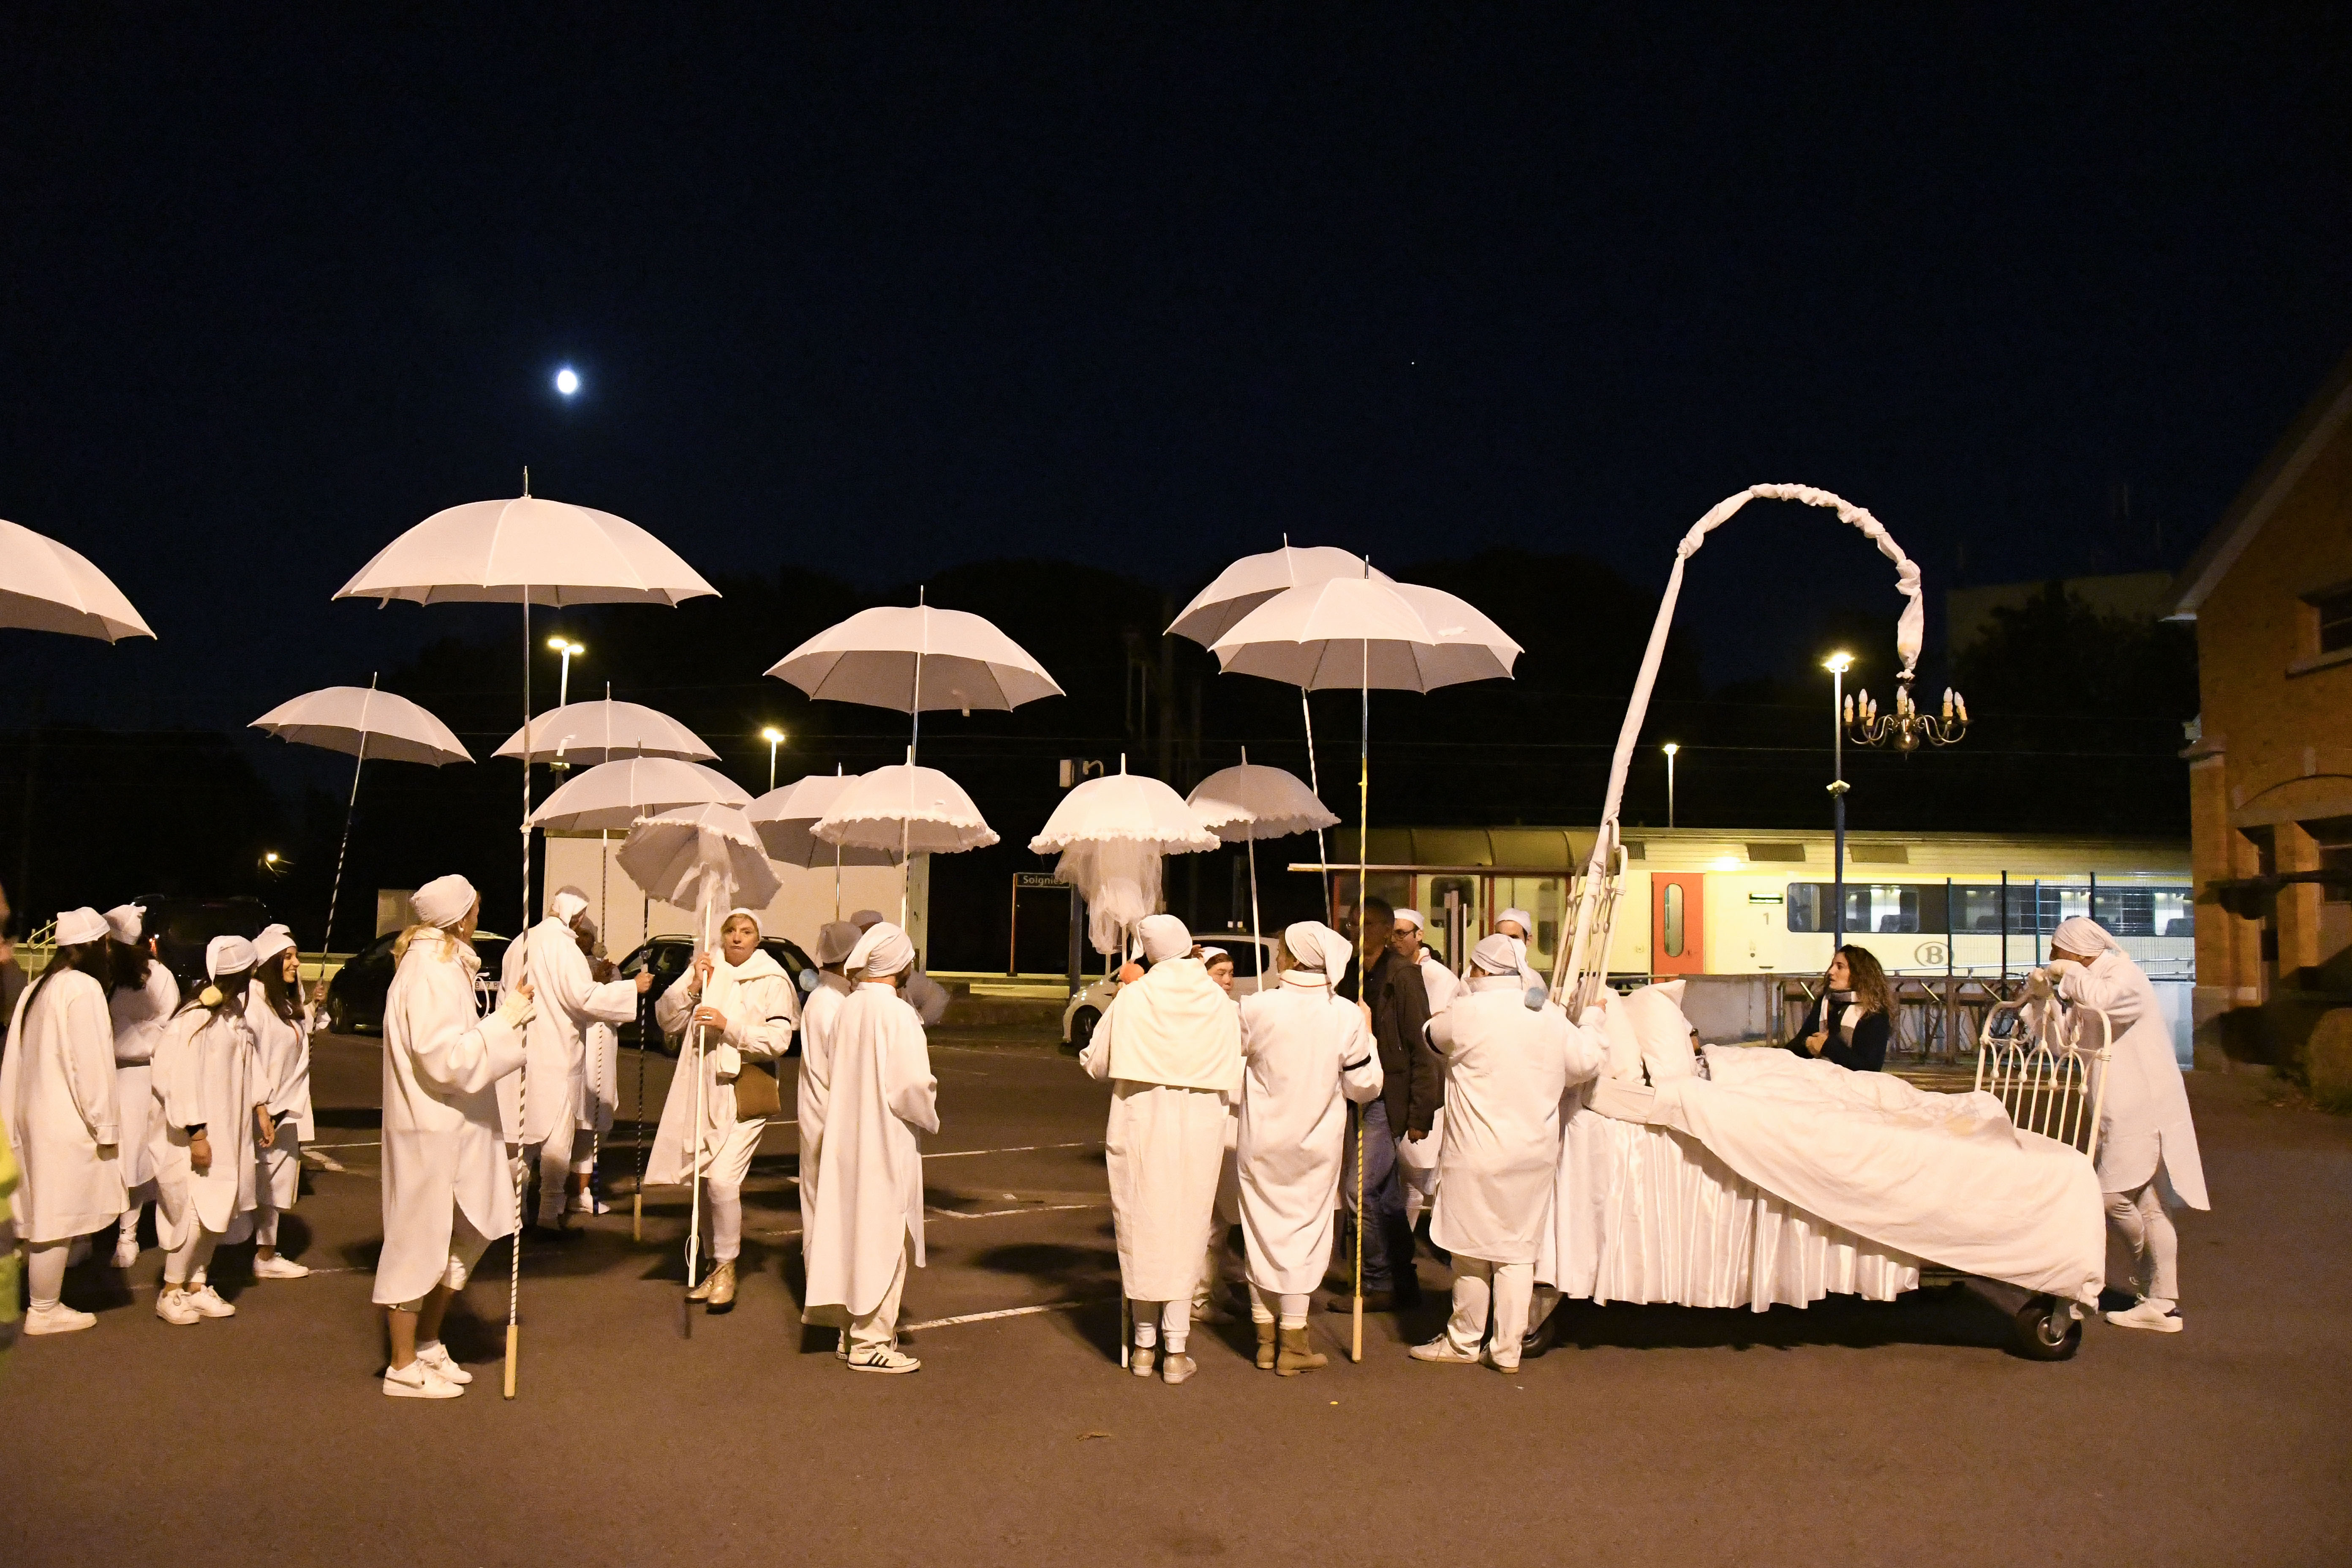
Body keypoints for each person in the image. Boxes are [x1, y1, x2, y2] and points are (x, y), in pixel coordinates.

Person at [1409, 934, 1606, 1372]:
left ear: (1478, 970)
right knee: (1517, 1253)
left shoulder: (1467, 1013)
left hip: (1475, 1153)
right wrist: (1592, 1020)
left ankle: (1463, 1342)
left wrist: (1460, 998)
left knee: (1469, 1251)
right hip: (1533, 1154)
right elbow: (1585, 1063)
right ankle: (1507, 1350)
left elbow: (1430, 1035)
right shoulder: (1549, 1016)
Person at [375, 874, 535, 1399]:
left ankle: (426, 1341)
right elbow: (445, 1059)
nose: (478, 917)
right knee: (417, 1241)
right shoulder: (431, 972)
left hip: (458, 1127)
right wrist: (505, 1021)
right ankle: (402, 1365)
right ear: (461, 918)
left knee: (472, 1229)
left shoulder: (444, 966)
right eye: (475, 909)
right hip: (433, 1129)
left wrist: (501, 1023)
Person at [1079, 914, 1242, 1385]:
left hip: (1141, 1121)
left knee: (1143, 1226)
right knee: (1188, 1227)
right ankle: (1176, 1349)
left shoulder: (1136, 996)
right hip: (1199, 1125)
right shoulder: (1217, 999)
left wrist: (1125, 994)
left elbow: (1096, 1063)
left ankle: (1145, 1346)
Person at [2044, 915, 2210, 1334]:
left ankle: (2147, 1275)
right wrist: (2041, 1000)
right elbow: (2062, 1044)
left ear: (2077, 950)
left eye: (2057, 950)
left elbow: (2105, 1002)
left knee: (2107, 1196)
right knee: (2151, 1205)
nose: (2052, 956)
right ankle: (2162, 1304)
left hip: (2142, 1110)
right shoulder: (2086, 982)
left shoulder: (2123, 974)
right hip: (2116, 1110)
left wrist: (2069, 975)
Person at [1236, 921, 1383, 1376]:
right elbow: (1365, 1086)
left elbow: (1227, 1056)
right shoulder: (1346, 1015)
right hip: (1317, 1144)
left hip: (1261, 1140)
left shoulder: (1257, 1007)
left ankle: (1265, 1340)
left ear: (1297, 958)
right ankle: (1294, 1343)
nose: (1278, 956)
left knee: (1259, 1232)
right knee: (1304, 1236)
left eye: (1282, 950)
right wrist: (1369, 1032)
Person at [646, 907, 798, 1312]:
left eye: (746, 931)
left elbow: (779, 1040)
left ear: (757, 939)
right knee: (704, 1180)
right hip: (703, 1090)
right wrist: (694, 986)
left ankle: (728, 1266)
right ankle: (714, 1266)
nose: (737, 937)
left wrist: (728, 1026)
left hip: (745, 1090)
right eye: (730, 930)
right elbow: (667, 1019)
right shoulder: (708, 968)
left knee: (723, 1182)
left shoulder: (771, 979)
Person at [804, 921, 937, 1374]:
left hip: (847, 1135)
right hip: (885, 1136)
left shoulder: (848, 1007)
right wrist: (929, 1114)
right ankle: (871, 1340)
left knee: (852, 1228)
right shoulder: (897, 1014)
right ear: (898, 963)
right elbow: (912, 1085)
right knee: (884, 1233)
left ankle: (850, 1330)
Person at [0, 906, 124, 1335]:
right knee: (57, 1217)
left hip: (33, 1115)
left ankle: (41, 1301)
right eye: (107, 944)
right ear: (94, 946)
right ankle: (44, 1307)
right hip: (66, 1120)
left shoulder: (40, 986)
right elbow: (90, 1066)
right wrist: (106, 1125)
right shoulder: (83, 988)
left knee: (43, 1213)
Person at [500, 887, 650, 1233]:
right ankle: (549, 1216)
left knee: (521, 1139)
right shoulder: (563, 947)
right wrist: (632, 988)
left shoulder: (519, 943)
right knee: (557, 1141)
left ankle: (513, 1216)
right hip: (556, 1054)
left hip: (518, 1051)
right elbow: (582, 998)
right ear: (577, 916)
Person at [150, 935, 263, 1326]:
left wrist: (261, 1106)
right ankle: (171, 1290)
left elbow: (248, 1065)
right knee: (197, 1211)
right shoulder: (195, 1019)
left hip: (230, 1130)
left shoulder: (232, 1015)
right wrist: (196, 1131)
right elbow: (174, 1076)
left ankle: (197, 1285)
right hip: (203, 1131)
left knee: (222, 1207)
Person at [1334, 896, 1438, 1312]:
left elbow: (1422, 1044)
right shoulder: (1350, 974)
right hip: (1357, 1092)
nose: (1357, 930)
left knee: (1359, 1190)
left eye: (1366, 924)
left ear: (1385, 929)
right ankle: (1403, 1282)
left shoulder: (1403, 976)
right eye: (1352, 923)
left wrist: (1420, 1113)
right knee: (1388, 1197)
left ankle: (1376, 1283)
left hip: (1386, 1096)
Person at [244, 925, 320, 1279]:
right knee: (251, 1182)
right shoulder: (254, 1003)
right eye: (288, 957)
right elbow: (249, 1059)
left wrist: (312, 1008)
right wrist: (261, 1107)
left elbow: (298, 1035)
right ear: (270, 962)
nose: (296, 963)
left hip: (285, 1108)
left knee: (276, 1182)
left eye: (296, 956)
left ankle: (266, 1254)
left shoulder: (283, 1002)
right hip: (262, 1112)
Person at [104, 903, 177, 1269]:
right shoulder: (105, 977)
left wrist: (127, 1038)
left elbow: (168, 1028)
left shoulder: (159, 977)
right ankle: (86, 1235)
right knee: (103, 1158)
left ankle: (127, 1236)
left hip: (139, 1078)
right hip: (106, 1076)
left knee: (132, 1158)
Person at [796, 920, 861, 1269]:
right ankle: (820, 1280)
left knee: (822, 1198)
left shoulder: (831, 997)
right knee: (823, 1201)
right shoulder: (830, 1003)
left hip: (821, 1111)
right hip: (826, 1114)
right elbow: (843, 1068)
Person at [1191, 945, 1245, 1327]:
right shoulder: (1204, 1016)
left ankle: (1214, 1286)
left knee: (1222, 1218)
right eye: (1219, 974)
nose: (1228, 981)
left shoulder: (1232, 1011)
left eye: (1231, 973)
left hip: (1231, 1126)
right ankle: (1198, 1296)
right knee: (1208, 1219)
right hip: (1212, 1124)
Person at [567, 915, 623, 1215]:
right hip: (576, 1049)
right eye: (577, 934)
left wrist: (608, 984)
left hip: (603, 1047)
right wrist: (596, 985)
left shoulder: (610, 969)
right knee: (573, 1120)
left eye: (587, 935)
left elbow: (619, 1010)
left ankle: (582, 1190)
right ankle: (560, 1189)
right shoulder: (566, 965)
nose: (582, 940)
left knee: (596, 1118)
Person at [1786, 946, 1893, 1073]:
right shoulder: (1824, 1003)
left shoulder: (1874, 1012)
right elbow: (1792, 1049)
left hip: (1852, 1082)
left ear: (1859, 974)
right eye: (1832, 966)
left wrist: (1827, 1046)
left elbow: (1870, 1068)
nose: (1831, 972)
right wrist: (1808, 1044)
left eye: (1840, 967)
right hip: (1815, 1077)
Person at [850, 908, 949, 1025]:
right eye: (866, 933)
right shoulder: (846, 990)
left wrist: (919, 1024)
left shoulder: (901, 976)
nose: (872, 938)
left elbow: (939, 997)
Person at [1392, 909, 1458, 1013]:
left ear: (1419, 935)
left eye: (1400, 934)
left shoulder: (1440, 977)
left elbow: (1438, 1020)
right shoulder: (1386, 971)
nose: (1393, 940)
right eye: (1390, 934)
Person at [1495, 906, 1545, 1002]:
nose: (1506, 942)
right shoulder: (1475, 974)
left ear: (1528, 940)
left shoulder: (1536, 980)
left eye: (1513, 938)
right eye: (1500, 936)